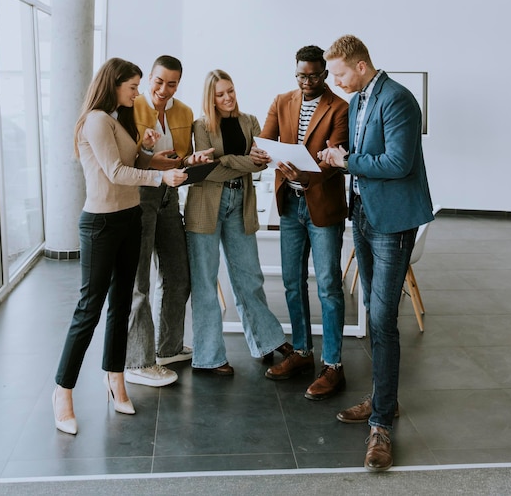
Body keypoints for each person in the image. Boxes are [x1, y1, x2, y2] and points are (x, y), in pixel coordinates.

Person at [52, 57, 188, 435]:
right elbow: (115, 172)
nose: (138, 92)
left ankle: (115, 379)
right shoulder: (96, 120)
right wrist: (161, 178)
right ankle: (62, 392)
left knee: (120, 304)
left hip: (129, 220)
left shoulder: (118, 119)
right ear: (114, 84)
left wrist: (151, 154)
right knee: (89, 309)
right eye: (133, 87)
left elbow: (132, 160)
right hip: (101, 225)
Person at [319, 34, 433, 472]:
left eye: (340, 72)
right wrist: (344, 155)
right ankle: (384, 399)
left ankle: (381, 423)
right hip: (364, 216)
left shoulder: (398, 99)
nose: (335, 80)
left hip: (391, 221)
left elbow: (398, 163)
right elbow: (371, 155)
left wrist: (346, 163)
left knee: (383, 320)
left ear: (361, 66)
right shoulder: (364, 98)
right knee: (373, 311)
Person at [252, 45, 349, 401]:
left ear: (324, 73)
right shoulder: (282, 100)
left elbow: (335, 157)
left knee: (328, 286)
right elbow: (265, 140)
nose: (306, 82)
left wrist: (305, 174)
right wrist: (261, 154)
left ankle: (333, 365)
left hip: (321, 205)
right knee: (293, 283)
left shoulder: (340, 108)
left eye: (313, 75)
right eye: (301, 75)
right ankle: (303, 353)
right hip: (289, 206)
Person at [185, 69, 292, 375]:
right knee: (205, 284)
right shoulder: (201, 125)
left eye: (230, 91)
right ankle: (209, 357)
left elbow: (261, 165)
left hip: (239, 203)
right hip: (205, 206)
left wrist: (234, 162)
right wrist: (242, 162)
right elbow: (211, 170)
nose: (227, 98)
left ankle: (267, 341)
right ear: (211, 97)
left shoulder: (250, 122)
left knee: (249, 277)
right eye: (220, 94)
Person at [125, 55, 213, 387]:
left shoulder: (184, 112)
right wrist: (151, 159)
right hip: (139, 198)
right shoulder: (131, 108)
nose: (164, 89)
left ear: (179, 83)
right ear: (150, 78)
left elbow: (180, 157)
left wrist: (195, 159)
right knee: (140, 284)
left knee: (179, 276)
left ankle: (168, 348)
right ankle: (137, 361)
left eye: (172, 83)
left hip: (169, 198)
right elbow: (125, 160)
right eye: (159, 81)